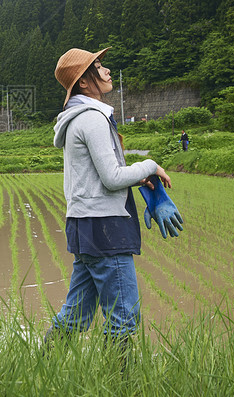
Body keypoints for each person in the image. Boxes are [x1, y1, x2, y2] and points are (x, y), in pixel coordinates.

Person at [45, 47, 183, 363]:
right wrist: (149, 165)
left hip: (85, 226)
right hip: (105, 228)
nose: (106, 70)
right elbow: (111, 178)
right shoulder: (92, 119)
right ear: (82, 82)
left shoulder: (79, 119)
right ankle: (118, 384)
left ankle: (43, 365)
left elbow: (97, 177)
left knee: (76, 314)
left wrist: (139, 180)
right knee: (123, 315)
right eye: (98, 65)